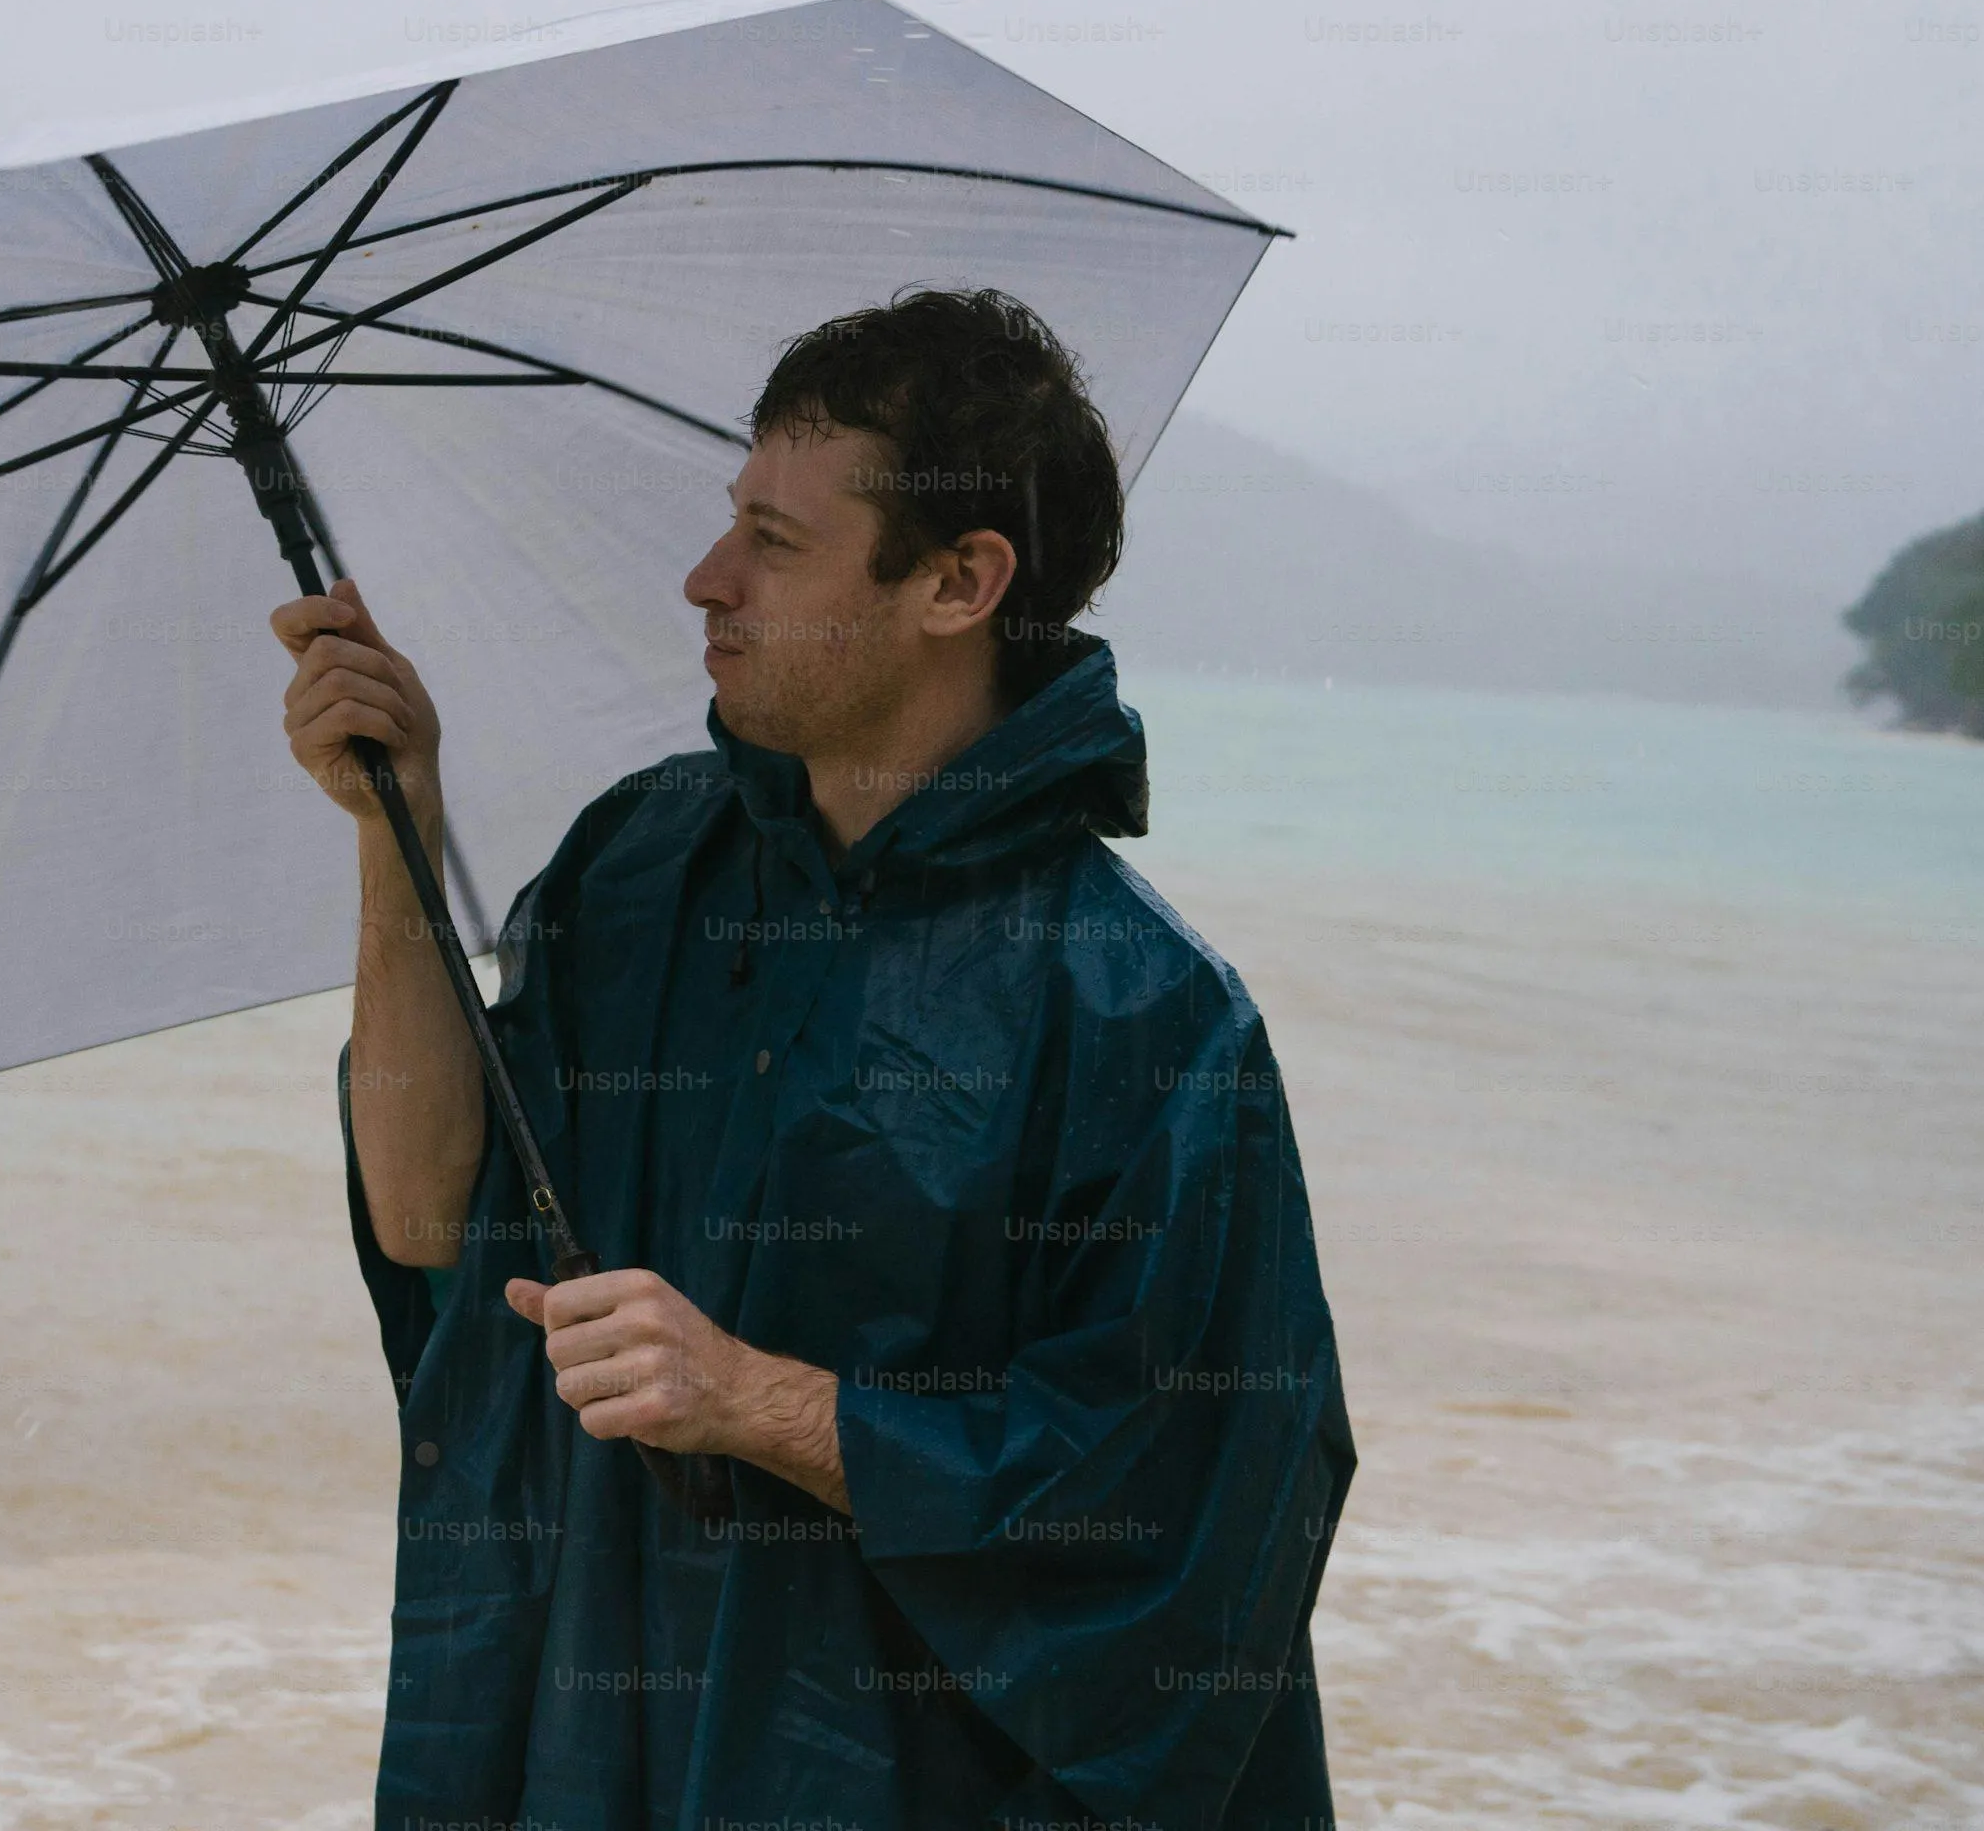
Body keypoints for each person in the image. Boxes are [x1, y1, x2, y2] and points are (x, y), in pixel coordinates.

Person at [268, 287, 1356, 1831]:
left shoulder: (1140, 1014)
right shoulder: (639, 869)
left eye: (776, 545)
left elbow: (1187, 1507)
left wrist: (760, 1401)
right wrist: (397, 835)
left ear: (960, 582)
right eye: (732, 524)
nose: (706, 579)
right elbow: (432, 1221)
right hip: (602, 1736)